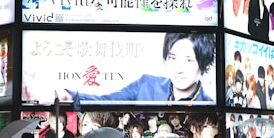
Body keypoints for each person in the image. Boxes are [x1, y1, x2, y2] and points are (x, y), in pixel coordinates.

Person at [59, 33, 216, 103]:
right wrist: (69, 96)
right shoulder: (146, 84)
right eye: (172, 58)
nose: (178, 69)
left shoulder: (208, 103)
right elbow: (107, 101)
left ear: (203, 64)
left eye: (188, 60)